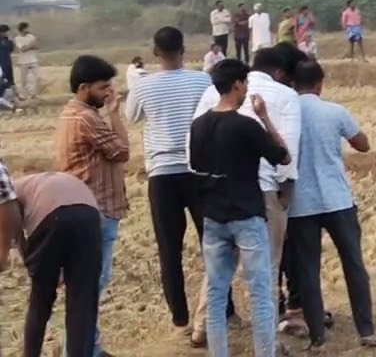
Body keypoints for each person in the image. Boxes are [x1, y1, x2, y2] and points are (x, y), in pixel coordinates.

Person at [124, 27, 238, 341]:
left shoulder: (143, 86)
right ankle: (224, 310)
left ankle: (180, 319)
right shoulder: (202, 81)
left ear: (155, 52)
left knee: (169, 249)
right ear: (183, 49)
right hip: (199, 171)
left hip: (162, 175)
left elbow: (132, 117)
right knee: (214, 243)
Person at [191, 43, 303, 346]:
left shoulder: (198, 125)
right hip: (248, 212)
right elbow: (283, 155)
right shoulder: (248, 123)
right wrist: (264, 117)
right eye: (244, 84)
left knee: (216, 291)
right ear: (238, 85)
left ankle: (215, 347)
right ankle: (266, 350)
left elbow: (195, 165)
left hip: (214, 215)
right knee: (261, 289)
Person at [285, 61, 376, 349]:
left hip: (301, 204)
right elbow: (362, 144)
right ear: (320, 84)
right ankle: (366, 330)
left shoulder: (287, 115)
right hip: (337, 199)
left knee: (308, 271)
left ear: (293, 84)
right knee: (353, 264)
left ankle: (317, 337)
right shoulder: (335, 111)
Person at [54, 55, 129, 356]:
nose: (109, 93)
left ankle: (89, 346)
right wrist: (115, 115)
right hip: (96, 209)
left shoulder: (73, 114)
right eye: (103, 87)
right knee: (89, 286)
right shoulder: (85, 118)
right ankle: (81, 348)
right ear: (84, 87)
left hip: (87, 208)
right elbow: (122, 151)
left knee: (88, 285)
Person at [5, 169, 104, 357]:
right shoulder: (28, 184)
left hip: (49, 212)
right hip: (89, 215)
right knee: (82, 299)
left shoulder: (8, 194)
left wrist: (34, 264)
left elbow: (15, 227)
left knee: (41, 298)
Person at [13, 21, 38, 99]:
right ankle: (25, 96)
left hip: (33, 60)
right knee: (23, 81)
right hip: (23, 61)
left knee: (38, 77)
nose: (28, 29)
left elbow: (36, 47)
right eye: (27, 28)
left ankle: (34, 94)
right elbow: (22, 49)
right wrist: (31, 44)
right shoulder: (17, 38)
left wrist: (29, 46)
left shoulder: (31, 36)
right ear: (23, 29)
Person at [0, 23, 13, 89]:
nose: (8, 33)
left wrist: (11, 41)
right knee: (2, 81)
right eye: (7, 32)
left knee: (10, 81)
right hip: (1, 64)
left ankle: (15, 94)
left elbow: (10, 50)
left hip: (7, 63)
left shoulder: (7, 40)